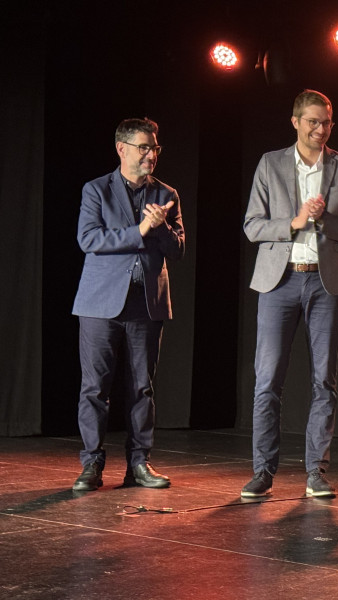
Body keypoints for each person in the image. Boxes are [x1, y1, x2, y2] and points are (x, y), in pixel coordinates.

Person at [242, 90, 338, 499]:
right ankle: (263, 471)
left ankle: (316, 472)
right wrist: (294, 223)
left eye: (326, 122)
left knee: (324, 380)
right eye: (312, 121)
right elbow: (252, 226)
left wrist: (323, 218)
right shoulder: (270, 163)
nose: (320, 129)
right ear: (295, 122)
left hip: (326, 283)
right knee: (267, 380)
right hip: (278, 282)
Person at [72, 117, 185, 491]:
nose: (151, 154)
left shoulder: (166, 193)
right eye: (144, 147)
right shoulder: (97, 189)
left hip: (146, 303)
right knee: (95, 388)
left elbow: (178, 250)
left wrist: (162, 227)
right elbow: (89, 239)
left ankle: (139, 463)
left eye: (155, 148)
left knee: (142, 388)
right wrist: (140, 230)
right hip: (100, 303)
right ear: (122, 149)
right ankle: (91, 464)